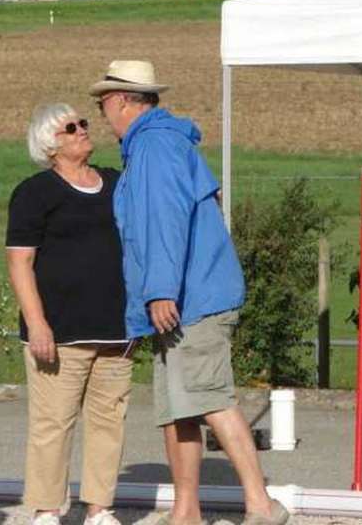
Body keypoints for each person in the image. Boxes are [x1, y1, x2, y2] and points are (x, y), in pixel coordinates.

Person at [90, 61, 290, 525]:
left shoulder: (155, 147)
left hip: (190, 299)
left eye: (102, 104)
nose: (102, 114)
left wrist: (160, 291)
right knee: (177, 408)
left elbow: (163, 223)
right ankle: (186, 512)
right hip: (186, 298)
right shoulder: (156, 145)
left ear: (121, 101)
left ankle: (262, 506)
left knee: (210, 398)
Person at [6, 103, 133, 525]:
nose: (83, 130)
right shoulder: (34, 193)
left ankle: (99, 508)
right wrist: (37, 323)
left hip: (115, 330)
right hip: (60, 333)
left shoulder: (115, 183)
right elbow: (20, 262)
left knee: (108, 422)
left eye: (83, 123)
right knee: (53, 424)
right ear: (50, 143)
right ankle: (46, 510)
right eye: (71, 127)